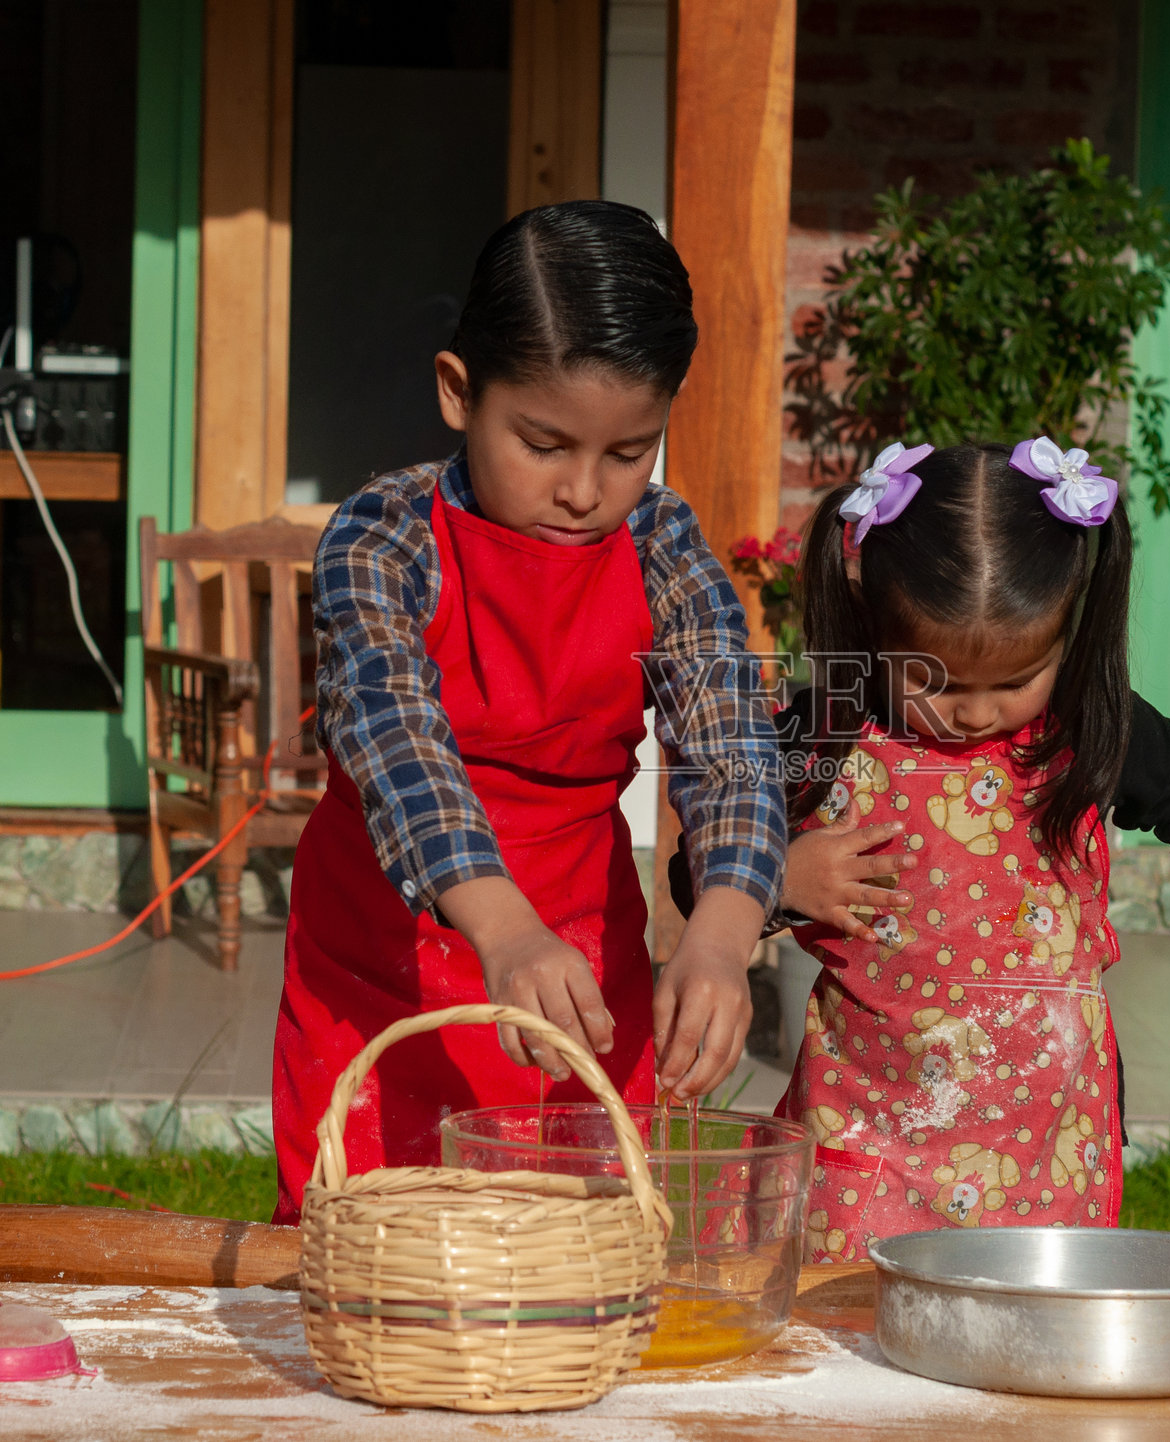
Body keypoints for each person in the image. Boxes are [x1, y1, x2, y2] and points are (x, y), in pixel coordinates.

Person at [271, 201, 783, 1224]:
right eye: (543, 443)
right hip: (388, 966)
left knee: (576, 1255)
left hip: (580, 972)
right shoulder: (383, 533)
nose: (586, 490)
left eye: (630, 451)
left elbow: (729, 744)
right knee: (380, 1261)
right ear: (459, 391)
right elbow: (391, 731)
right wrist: (502, 930)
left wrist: (721, 937)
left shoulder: (664, 544)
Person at [704, 438, 1170, 1261]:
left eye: (1015, 681)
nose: (975, 714)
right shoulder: (829, 725)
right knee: (849, 1350)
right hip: (872, 1133)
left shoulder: (1086, 723)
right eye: (935, 683)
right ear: (876, 628)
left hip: (1041, 1147)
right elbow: (703, 866)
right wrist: (782, 876)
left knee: (1024, 1344)